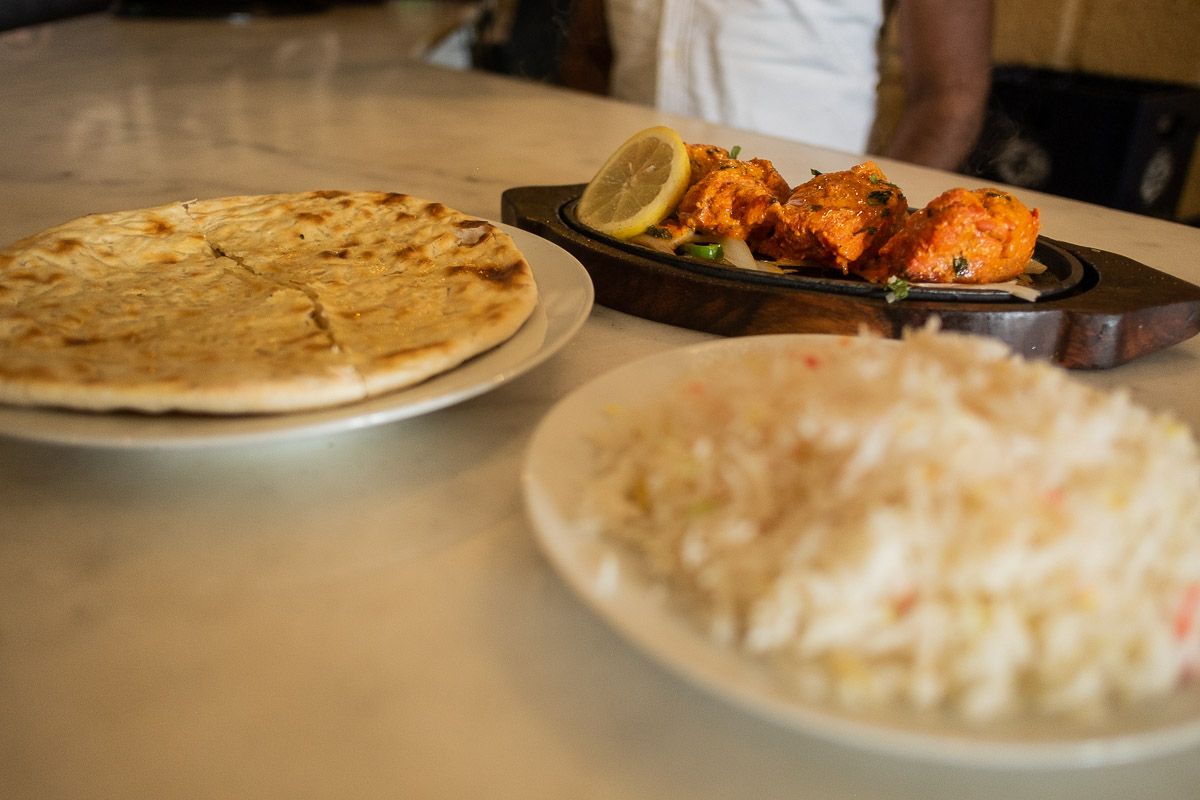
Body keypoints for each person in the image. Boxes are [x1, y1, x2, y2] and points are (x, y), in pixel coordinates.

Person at [559, 0, 993, 171]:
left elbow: (949, 100)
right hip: (630, 204)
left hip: (797, 229)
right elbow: (589, 50)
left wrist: (864, 224)